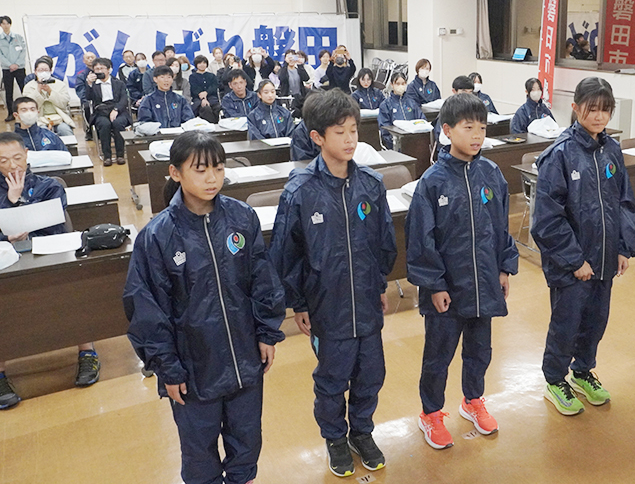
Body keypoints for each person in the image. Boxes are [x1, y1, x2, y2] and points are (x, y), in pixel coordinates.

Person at [123, 131, 285, 484]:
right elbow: (146, 310)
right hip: (193, 369)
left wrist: (267, 333)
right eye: (200, 170)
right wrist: (168, 369)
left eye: (218, 168)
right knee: (199, 451)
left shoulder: (241, 218)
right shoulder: (158, 236)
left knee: (247, 440)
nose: (212, 178)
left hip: (244, 359)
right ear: (175, 172)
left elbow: (262, 279)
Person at [269, 89, 397, 477]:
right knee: (331, 379)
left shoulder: (371, 184)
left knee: (371, 374)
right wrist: (299, 303)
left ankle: (362, 431)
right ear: (317, 137)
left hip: (367, 302)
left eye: (354, 130)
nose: (350, 139)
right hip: (327, 306)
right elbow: (286, 255)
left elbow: (383, 242)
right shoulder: (300, 191)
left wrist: (379, 284)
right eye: (339, 132)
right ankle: (335, 438)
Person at [406, 92, 519, 450]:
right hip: (447, 289)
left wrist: (504, 267)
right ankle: (430, 412)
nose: (476, 135)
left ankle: (473, 400)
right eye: (468, 127)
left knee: (479, 350)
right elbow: (421, 240)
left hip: (484, 282)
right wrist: (435, 284)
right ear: (447, 130)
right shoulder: (433, 182)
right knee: (438, 356)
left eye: (482, 128)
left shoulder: (491, 174)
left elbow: (501, 226)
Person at [532, 77, 635, 416]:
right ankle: (555, 379)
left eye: (606, 110)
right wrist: (575, 260)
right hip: (572, 265)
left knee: (595, 321)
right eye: (592, 109)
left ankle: (582, 371)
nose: (599, 116)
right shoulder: (560, 155)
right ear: (576, 108)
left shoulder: (611, 150)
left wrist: (623, 247)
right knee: (567, 323)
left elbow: (624, 202)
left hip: (604, 258)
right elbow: (547, 220)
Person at [0, 132, 100, 410]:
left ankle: (87, 351)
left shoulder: (49, 186)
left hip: (46, 254)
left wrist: (20, 206)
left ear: (26, 155)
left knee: (72, 285)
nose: (12, 165)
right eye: (4, 160)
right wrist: (10, 201)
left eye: (17, 158)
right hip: (6, 262)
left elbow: (56, 226)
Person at [88, 58, 131, 166]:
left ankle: (120, 155)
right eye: (96, 69)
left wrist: (116, 110)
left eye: (102, 68)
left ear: (108, 70)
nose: (99, 71)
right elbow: (88, 98)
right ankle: (107, 156)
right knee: (104, 124)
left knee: (118, 123)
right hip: (101, 111)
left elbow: (124, 99)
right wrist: (89, 84)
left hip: (118, 110)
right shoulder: (93, 84)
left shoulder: (118, 83)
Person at [22, 57, 75, 137]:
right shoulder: (28, 86)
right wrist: (38, 91)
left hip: (59, 118)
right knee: (42, 133)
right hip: (38, 119)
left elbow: (64, 103)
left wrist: (50, 91)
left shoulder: (60, 84)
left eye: (46, 70)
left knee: (65, 131)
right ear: (35, 72)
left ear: (50, 71)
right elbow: (28, 106)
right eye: (40, 70)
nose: (43, 72)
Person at [378, 72, 425, 150]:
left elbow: (422, 120)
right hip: (396, 144)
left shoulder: (411, 102)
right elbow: (385, 129)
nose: (400, 86)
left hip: (414, 142)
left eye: (403, 83)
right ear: (392, 84)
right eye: (397, 84)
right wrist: (395, 143)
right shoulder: (385, 105)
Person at [0, 16, 27, 121]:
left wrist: (17, 64)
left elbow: (23, 51)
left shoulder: (18, 37)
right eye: (3, 24)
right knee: (9, 92)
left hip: (19, 67)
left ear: (10, 24)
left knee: (25, 89)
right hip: (7, 69)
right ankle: (11, 113)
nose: (6, 26)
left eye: (7, 23)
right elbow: (1, 55)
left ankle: (27, 110)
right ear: (0, 25)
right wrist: (9, 65)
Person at [189, 55, 220, 123]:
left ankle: (216, 124)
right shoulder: (192, 76)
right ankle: (211, 124)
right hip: (198, 99)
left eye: (204, 63)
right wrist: (203, 98)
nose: (202, 65)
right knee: (205, 108)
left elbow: (214, 86)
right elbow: (194, 89)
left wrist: (206, 92)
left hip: (211, 97)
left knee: (217, 107)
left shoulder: (212, 76)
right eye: (200, 63)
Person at [75, 51, 98, 140]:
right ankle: (90, 130)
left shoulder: (101, 73)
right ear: (84, 61)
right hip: (88, 100)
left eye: (92, 57)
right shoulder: (81, 75)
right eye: (88, 58)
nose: (90, 59)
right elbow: (80, 90)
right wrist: (87, 99)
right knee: (87, 107)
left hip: (101, 99)